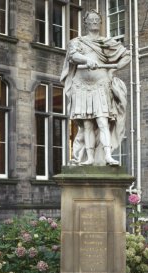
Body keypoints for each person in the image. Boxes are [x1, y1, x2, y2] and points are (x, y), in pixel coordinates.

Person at [60, 9, 130, 165]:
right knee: (87, 124)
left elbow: (127, 55)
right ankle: (90, 158)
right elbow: (73, 56)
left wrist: (113, 69)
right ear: (85, 23)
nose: (94, 22)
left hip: (100, 85)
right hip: (82, 86)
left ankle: (107, 155)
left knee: (102, 121)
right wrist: (86, 60)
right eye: (90, 20)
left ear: (100, 23)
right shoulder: (77, 41)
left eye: (96, 20)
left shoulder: (106, 42)